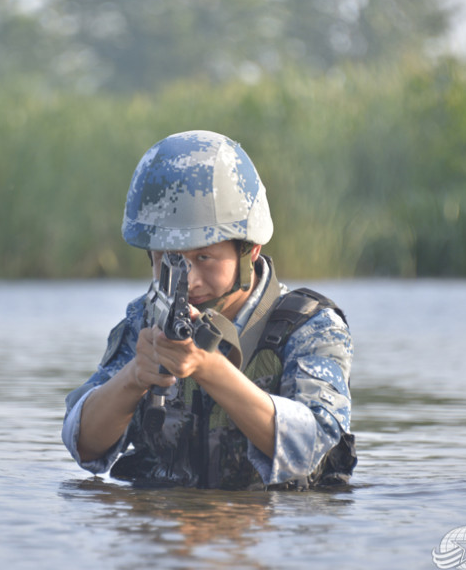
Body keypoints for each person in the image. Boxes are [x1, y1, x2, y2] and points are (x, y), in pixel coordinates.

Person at [61, 130, 356, 490]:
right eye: (171, 261)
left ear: (250, 251)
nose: (191, 280)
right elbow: (83, 445)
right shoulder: (146, 320)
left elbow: (310, 448)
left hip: (267, 537)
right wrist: (134, 378)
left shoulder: (311, 326)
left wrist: (209, 369)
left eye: (204, 257)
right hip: (164, 531)